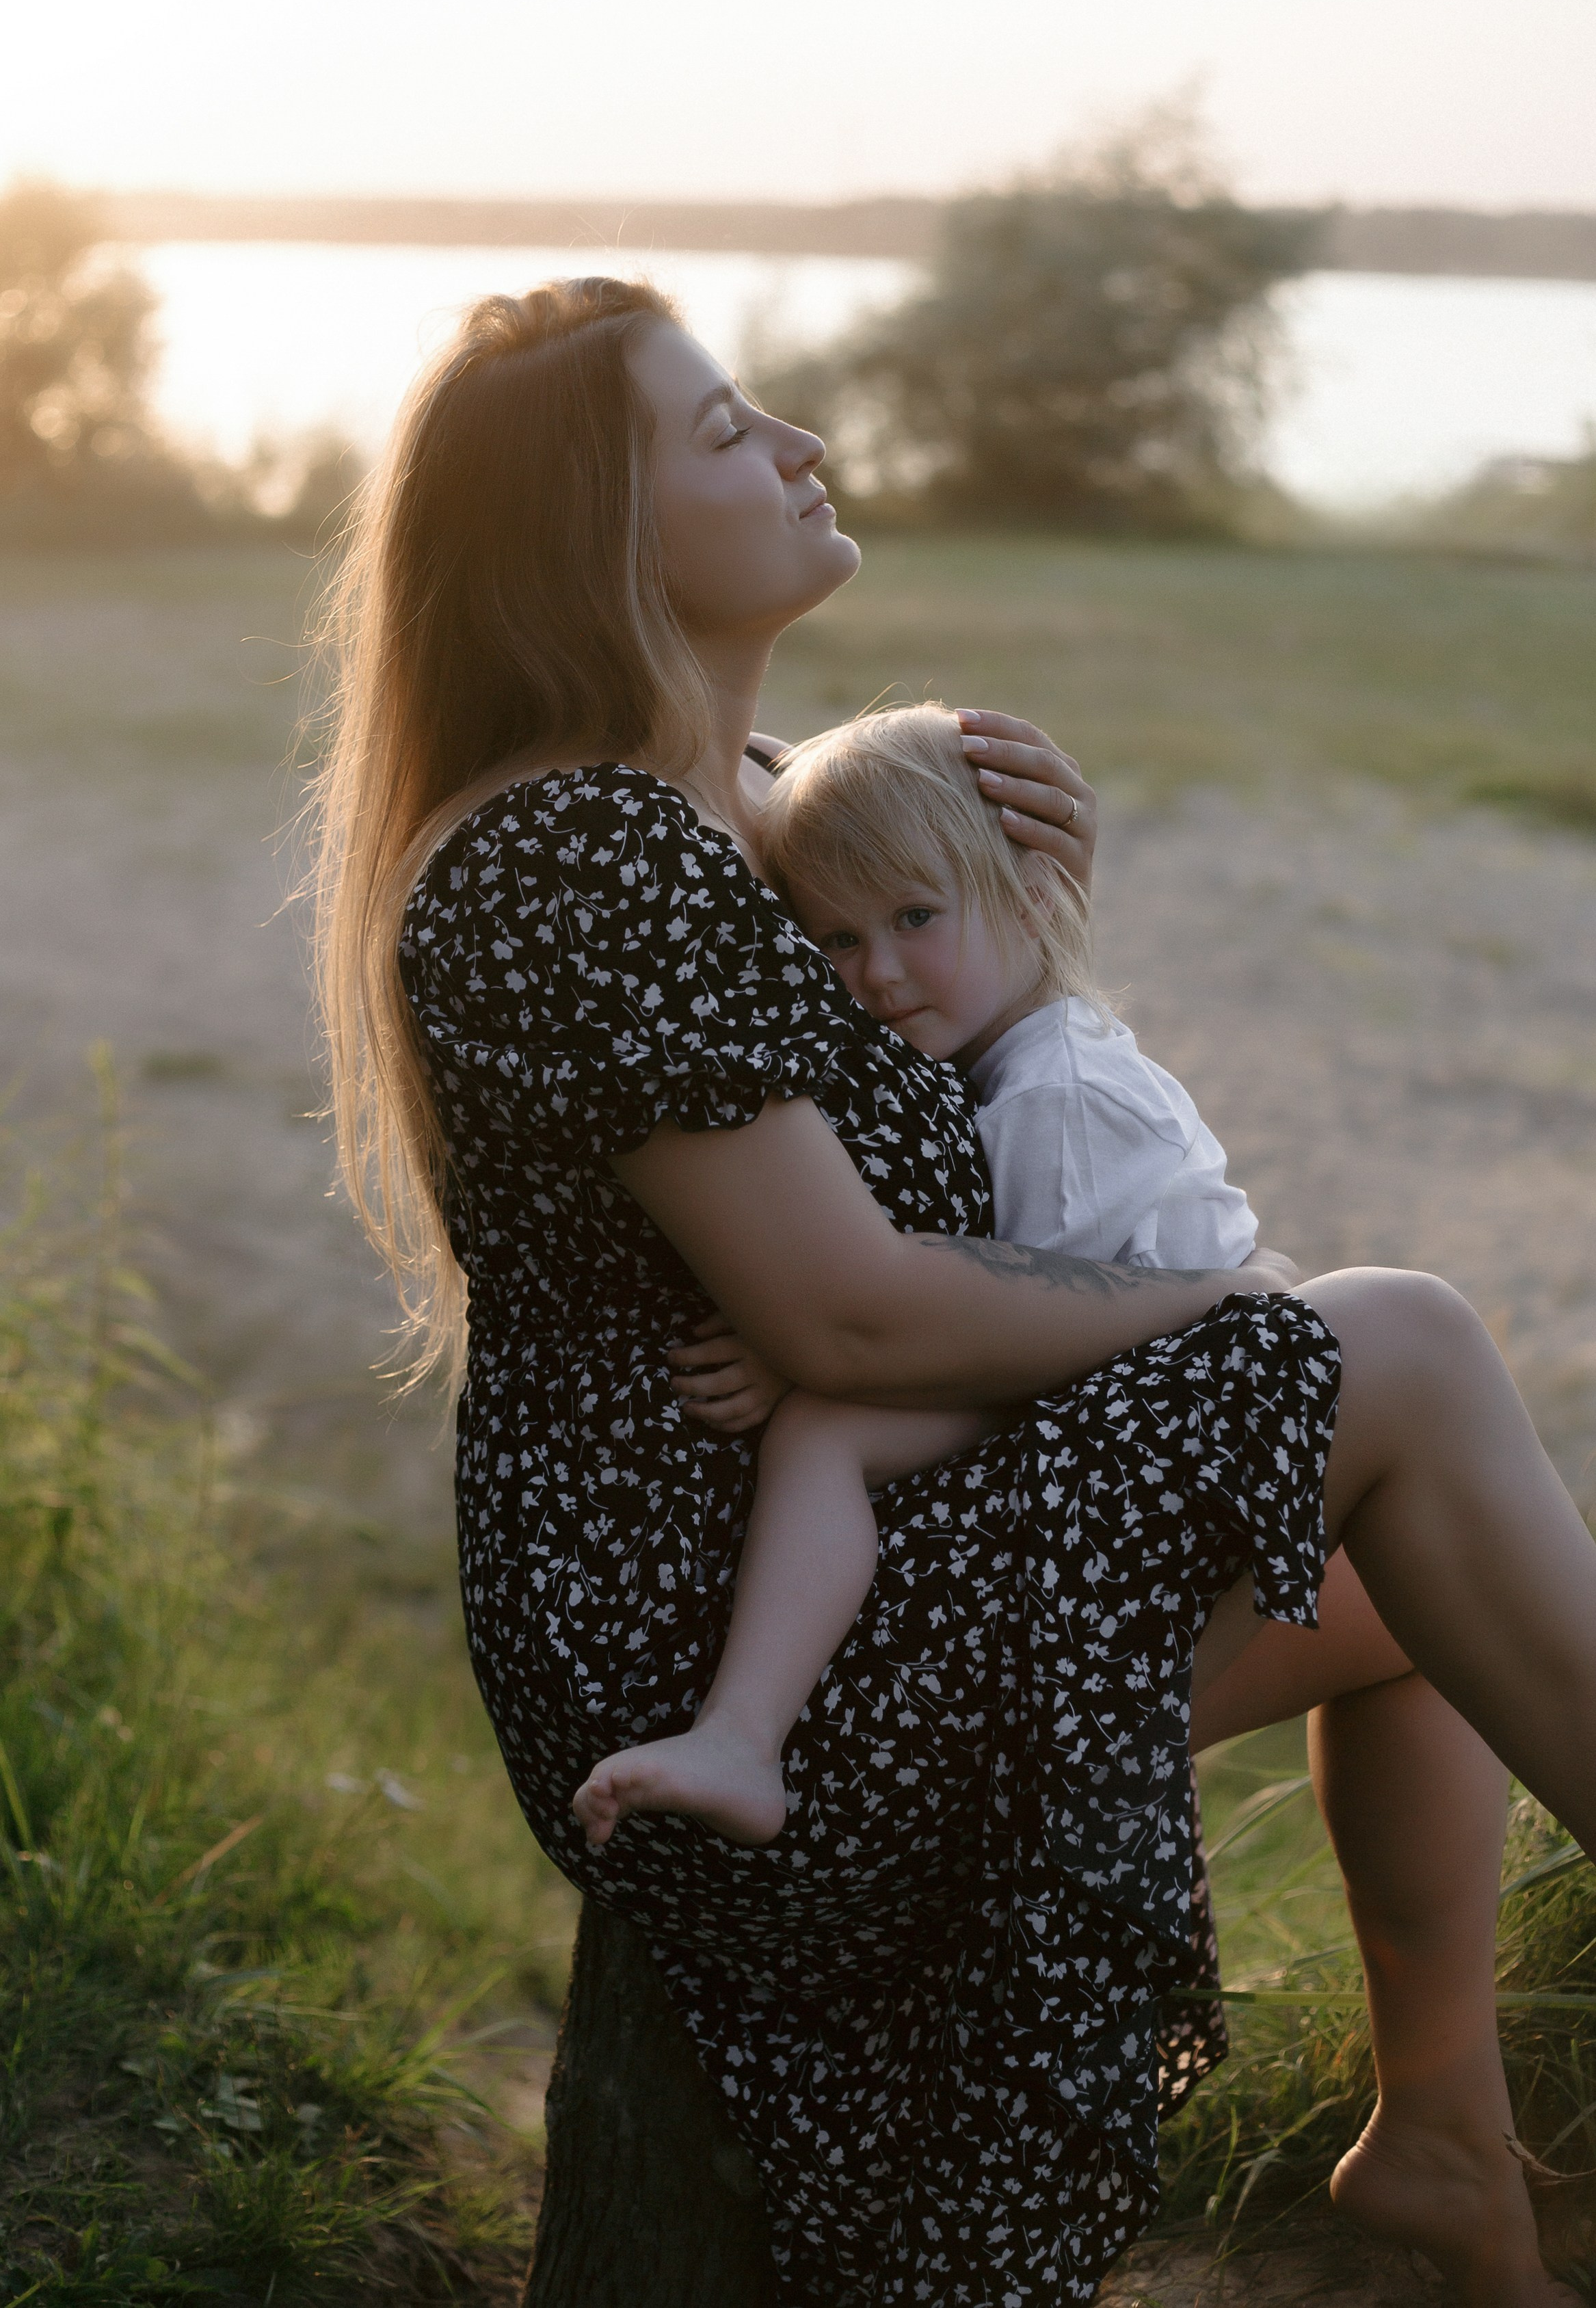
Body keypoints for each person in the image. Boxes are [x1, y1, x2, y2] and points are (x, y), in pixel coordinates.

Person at [312, 274, 1595, 2303]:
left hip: (873, 1549)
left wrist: (991, 897)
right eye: (725, 432)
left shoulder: (748, 806)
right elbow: (854, 1323)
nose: (799, 445)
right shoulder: (571, 853)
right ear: (592, 532)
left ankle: (1437, 2132)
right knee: (1402, 1352)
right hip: (732, 1661)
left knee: (1425, 1557)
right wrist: (1234, 1311)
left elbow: (978, 1113)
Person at [572, 701, 1290, 1853]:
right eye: (836, 941)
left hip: (1160, 1387)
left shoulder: (1056, 1090)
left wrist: (791, 1336)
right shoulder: (1017, 1046)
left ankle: (743, 1735)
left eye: (915, 917)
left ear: (1031, 894)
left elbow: (1020, 1312)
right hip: (1130, 1363)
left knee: (820, 1430)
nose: (881, 973)